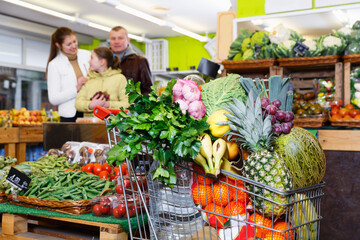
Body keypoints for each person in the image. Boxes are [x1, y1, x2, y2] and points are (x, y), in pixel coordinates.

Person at [46, 27, 91, 122]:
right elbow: (53, 99)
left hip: (90, 110)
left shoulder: (87, 55)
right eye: (69, 44)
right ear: (58, 45)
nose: (74, 46)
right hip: (70, 116)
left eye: (74, 41)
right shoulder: (54, 65)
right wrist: (76, 88)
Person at [75, 46, 130, 117]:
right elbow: (78, 104)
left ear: (102, 62)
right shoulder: (88, 79)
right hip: (91, 126)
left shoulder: (120, 79)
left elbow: (127, 104)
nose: (89, 61)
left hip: (113, 126)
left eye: (92, 58)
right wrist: (91, 105)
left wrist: (108, 104)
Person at [109, 26, 153, 95]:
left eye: (120, 38)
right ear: (109, 40)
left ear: (128, 40)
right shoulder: (103, 61)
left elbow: (148, 90)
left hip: (131, 105)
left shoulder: (140, 61)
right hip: (106, 105)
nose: (116, 42)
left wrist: (136, 104)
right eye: (113, 38)